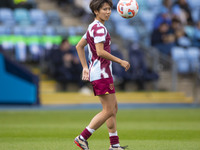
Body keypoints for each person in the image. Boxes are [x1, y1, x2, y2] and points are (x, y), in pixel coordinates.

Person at [74, 0, 130, 150]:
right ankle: (82, 137)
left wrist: (85, 67)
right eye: (104, 9)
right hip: (101, 74)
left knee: (113, 108)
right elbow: (100, 51)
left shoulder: (92, 26)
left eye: (109, 9)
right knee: (109, 110)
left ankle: (115, 145)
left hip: (100, 73)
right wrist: (120, 61)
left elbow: (79, 46)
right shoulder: (99, 29)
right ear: (96, 11)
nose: (108, 12)